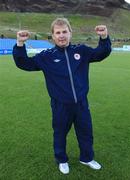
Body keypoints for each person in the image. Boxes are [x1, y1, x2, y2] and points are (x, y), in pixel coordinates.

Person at [12, 18, 111, 174]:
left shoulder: (82, 51)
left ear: (70, 33)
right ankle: (62, 160)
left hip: (81, 103)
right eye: (58, 32)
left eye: (64, 31)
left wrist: (104, 38)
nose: (61, 35)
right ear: (53, 36)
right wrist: (20, 44)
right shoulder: (46, 56)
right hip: (60, 106)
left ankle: (87, 158)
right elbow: (24, 63)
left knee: (86, 132)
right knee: (60, 134)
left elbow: (101, 53)